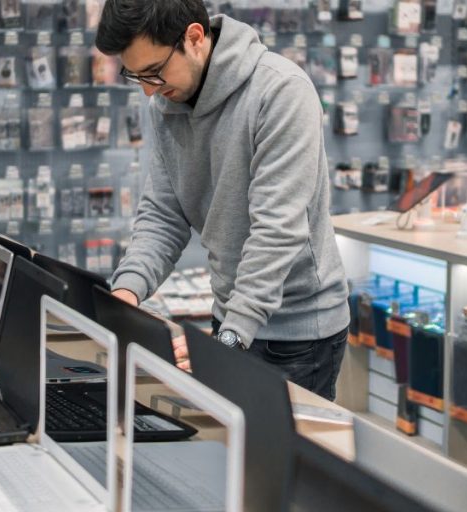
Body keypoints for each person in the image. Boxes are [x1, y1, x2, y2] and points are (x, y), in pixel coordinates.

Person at [95, 0, 350, 400]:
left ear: (195, 38)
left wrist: (228, 339)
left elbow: (277, 231)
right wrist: (126, 293)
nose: (147, 89)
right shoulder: (165, 103)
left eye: (153, 73)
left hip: (298, 333)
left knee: (280, 461)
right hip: (230, 318)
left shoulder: (280, 91)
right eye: (134, 75)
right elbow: (163, 215)